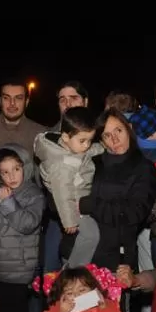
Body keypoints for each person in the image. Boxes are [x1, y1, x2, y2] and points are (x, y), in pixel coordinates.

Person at [0, 144, 45, 312]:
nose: (10, 176)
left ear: (26, 168)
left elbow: (27, 224)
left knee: (19, 309)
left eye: (15, 169)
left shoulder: (33, 194)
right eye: (4, 172)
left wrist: (8, 203)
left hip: (22, 264)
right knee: (2, 307)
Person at [34, 106, 103, 267]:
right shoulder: (61, 165)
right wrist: (69, 220)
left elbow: (87, 151)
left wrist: (103, 148)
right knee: (91, 235)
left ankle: (74, 270)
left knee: (89, 236)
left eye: (89, 140)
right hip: (74, 204)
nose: (86, 145)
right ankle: (73, 272)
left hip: (79, 198)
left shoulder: (71, 146)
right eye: (82, 141)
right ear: (65, 136)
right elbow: (62, 193)